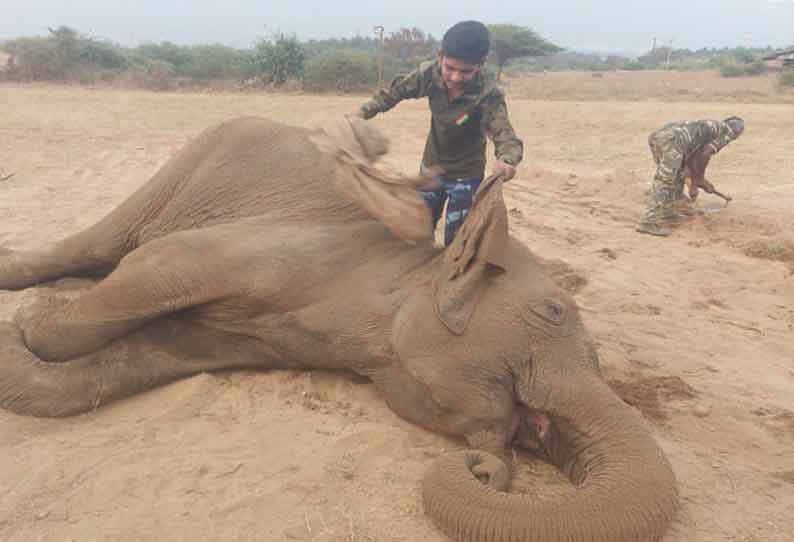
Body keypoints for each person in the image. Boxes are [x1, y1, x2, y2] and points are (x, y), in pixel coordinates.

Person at [355, 20, 523, 246]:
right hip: (431, 169)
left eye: (465, 72)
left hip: (466, 176)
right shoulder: (428, 75)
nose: (455, 77)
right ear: (440, 55)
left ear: (480, 64)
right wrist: (361, 113)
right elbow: (392, 94)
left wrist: (507, 159)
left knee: (456, 237)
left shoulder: (488, 94)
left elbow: (505, 134)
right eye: (450, 68)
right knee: (419, 228)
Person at [636, 116, 745, 237]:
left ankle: (667, 212)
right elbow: (706, 153)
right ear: (738, 133)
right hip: (672, 142)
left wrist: (695, 182)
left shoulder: (709, 128)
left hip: (660, 137)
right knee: (665, 181)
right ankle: (647, 222)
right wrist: (700, 178)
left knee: (677, 174)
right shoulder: (727, 131)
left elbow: (692, 159)